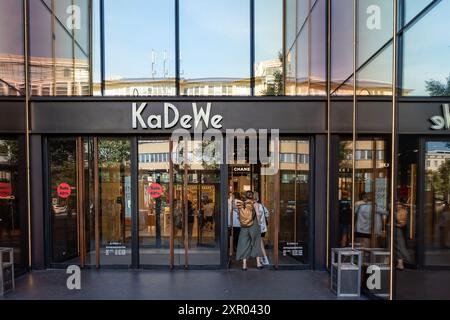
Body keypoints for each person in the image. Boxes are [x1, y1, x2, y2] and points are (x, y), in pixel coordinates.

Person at [235, 191, 264, 270]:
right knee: (256, 242)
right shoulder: (255, 204)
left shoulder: (242, 204)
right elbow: (257, 214)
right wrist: (259, 222)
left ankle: (244, 265)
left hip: (244, 226)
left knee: (244, 243)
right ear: (253, 196)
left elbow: (238, 215)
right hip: (254, 225)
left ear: (246, 196)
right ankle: (258, 263)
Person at [394, 202, 412, 270]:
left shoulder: (403, 211)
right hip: (398, 231)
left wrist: (393, 224)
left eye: (399, 204)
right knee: (397, 247)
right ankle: (400, 264)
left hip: (399, 231)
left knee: (400, 247)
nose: (397, 205)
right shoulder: (399, 211)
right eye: (396, 204)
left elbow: (401, 222)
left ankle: (408, 260)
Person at [254, 192, 270, 266]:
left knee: (260, 244)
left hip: (257, 228)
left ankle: (264, 259)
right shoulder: (262, 206)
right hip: (263, 228)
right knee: (259, 243)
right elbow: (267, 214)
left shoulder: (254, 206)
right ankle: (261, 259)